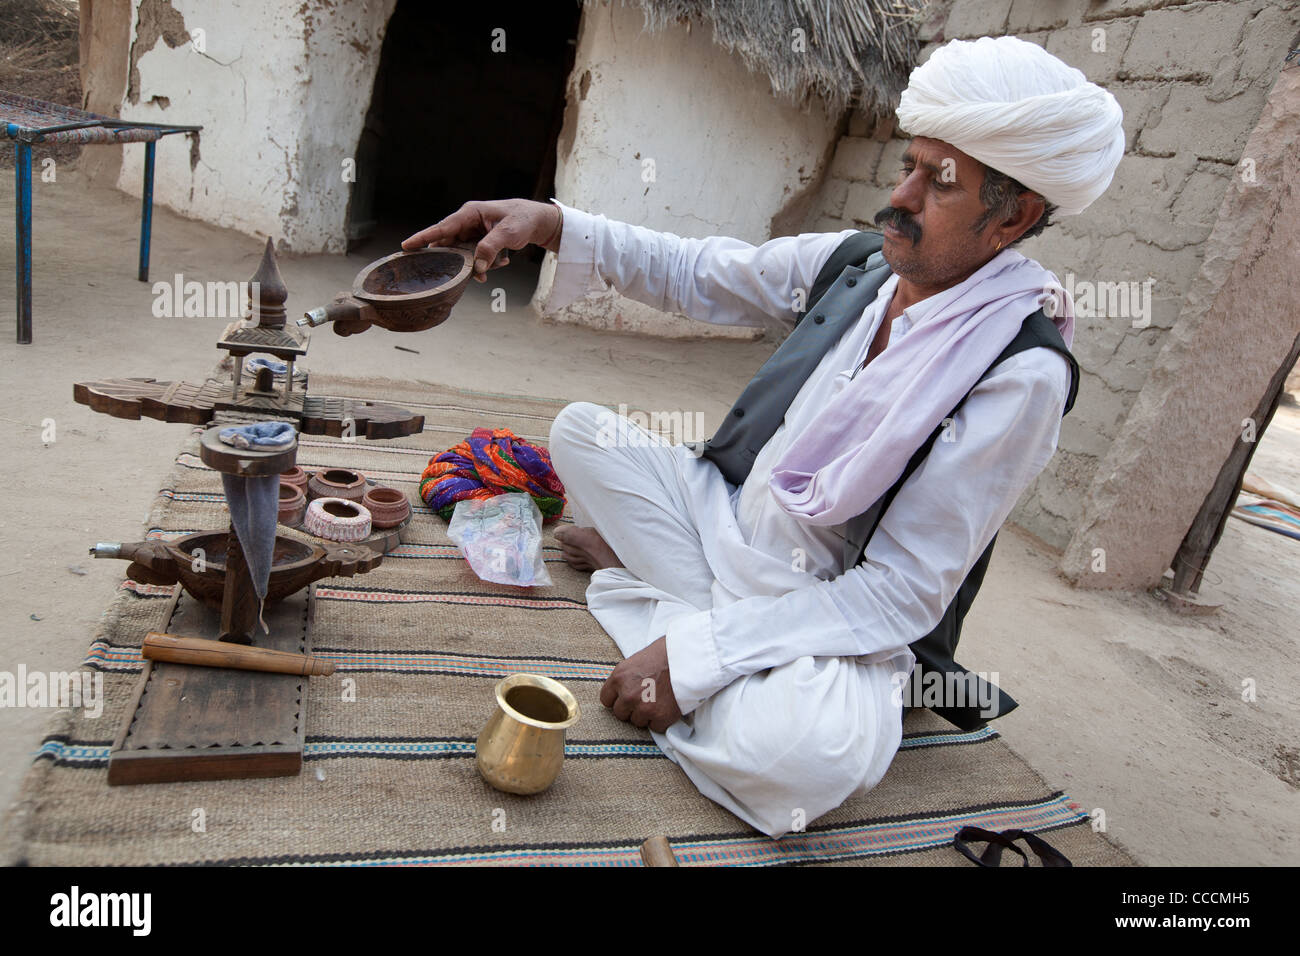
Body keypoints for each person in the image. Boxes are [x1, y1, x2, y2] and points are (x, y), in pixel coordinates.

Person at [401, 36, 1125, 837]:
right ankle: (694, 614)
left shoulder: (1018, 372)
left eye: (938, 184)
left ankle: (676, 615)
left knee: (799, 762)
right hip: (728, 522)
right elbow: (700, 272)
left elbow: (903, 593)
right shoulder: (863, 264)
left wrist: (695, 658)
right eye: (909, 167)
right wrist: (555, 224)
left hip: (830, 611)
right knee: (581, 432)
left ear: (1013, 216)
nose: (902, 198)